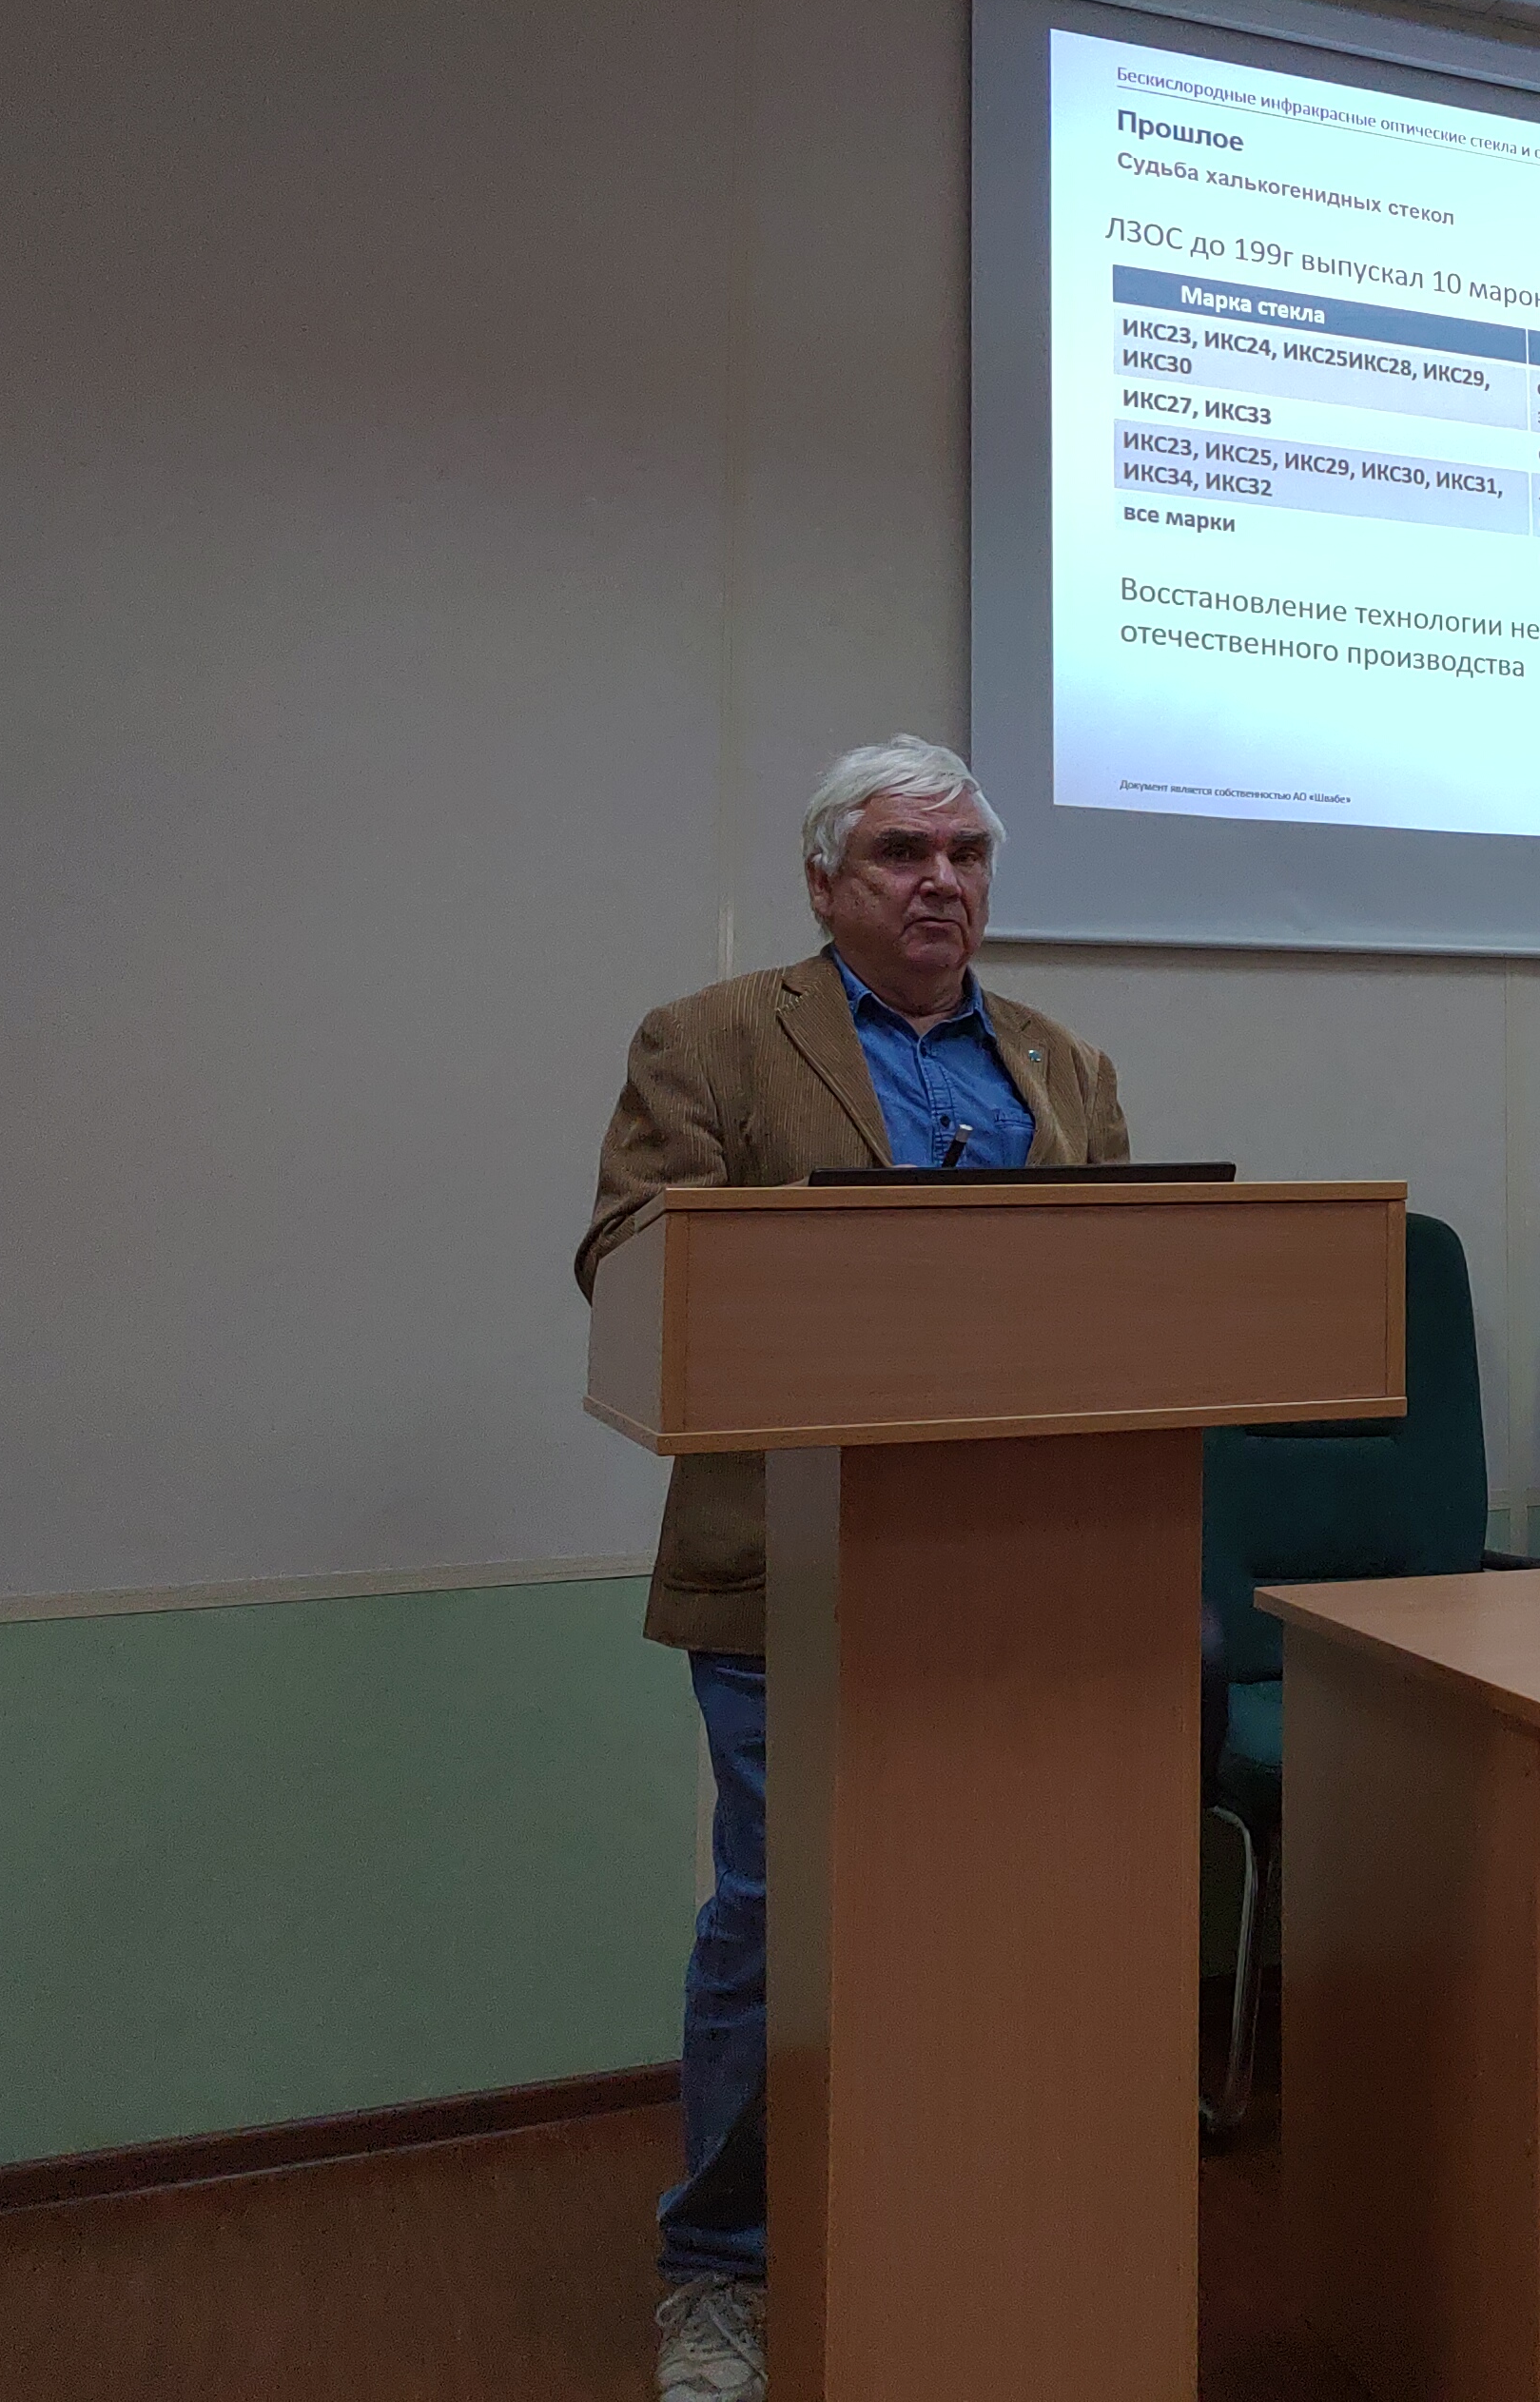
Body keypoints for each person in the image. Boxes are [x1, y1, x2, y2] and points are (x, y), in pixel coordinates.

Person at [576, 735, 1128, 2402]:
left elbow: (1135, 1283)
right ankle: (722, 2274)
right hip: (794, 1560)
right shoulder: (710, 1039)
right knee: (780, 1918)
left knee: (1008, 1910)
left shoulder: (1065, 1065)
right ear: (826, 883)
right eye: (901, 853)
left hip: (1020, 1573)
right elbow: (633, 1260)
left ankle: (970, 2218)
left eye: (965, 854)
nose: (940, 882)